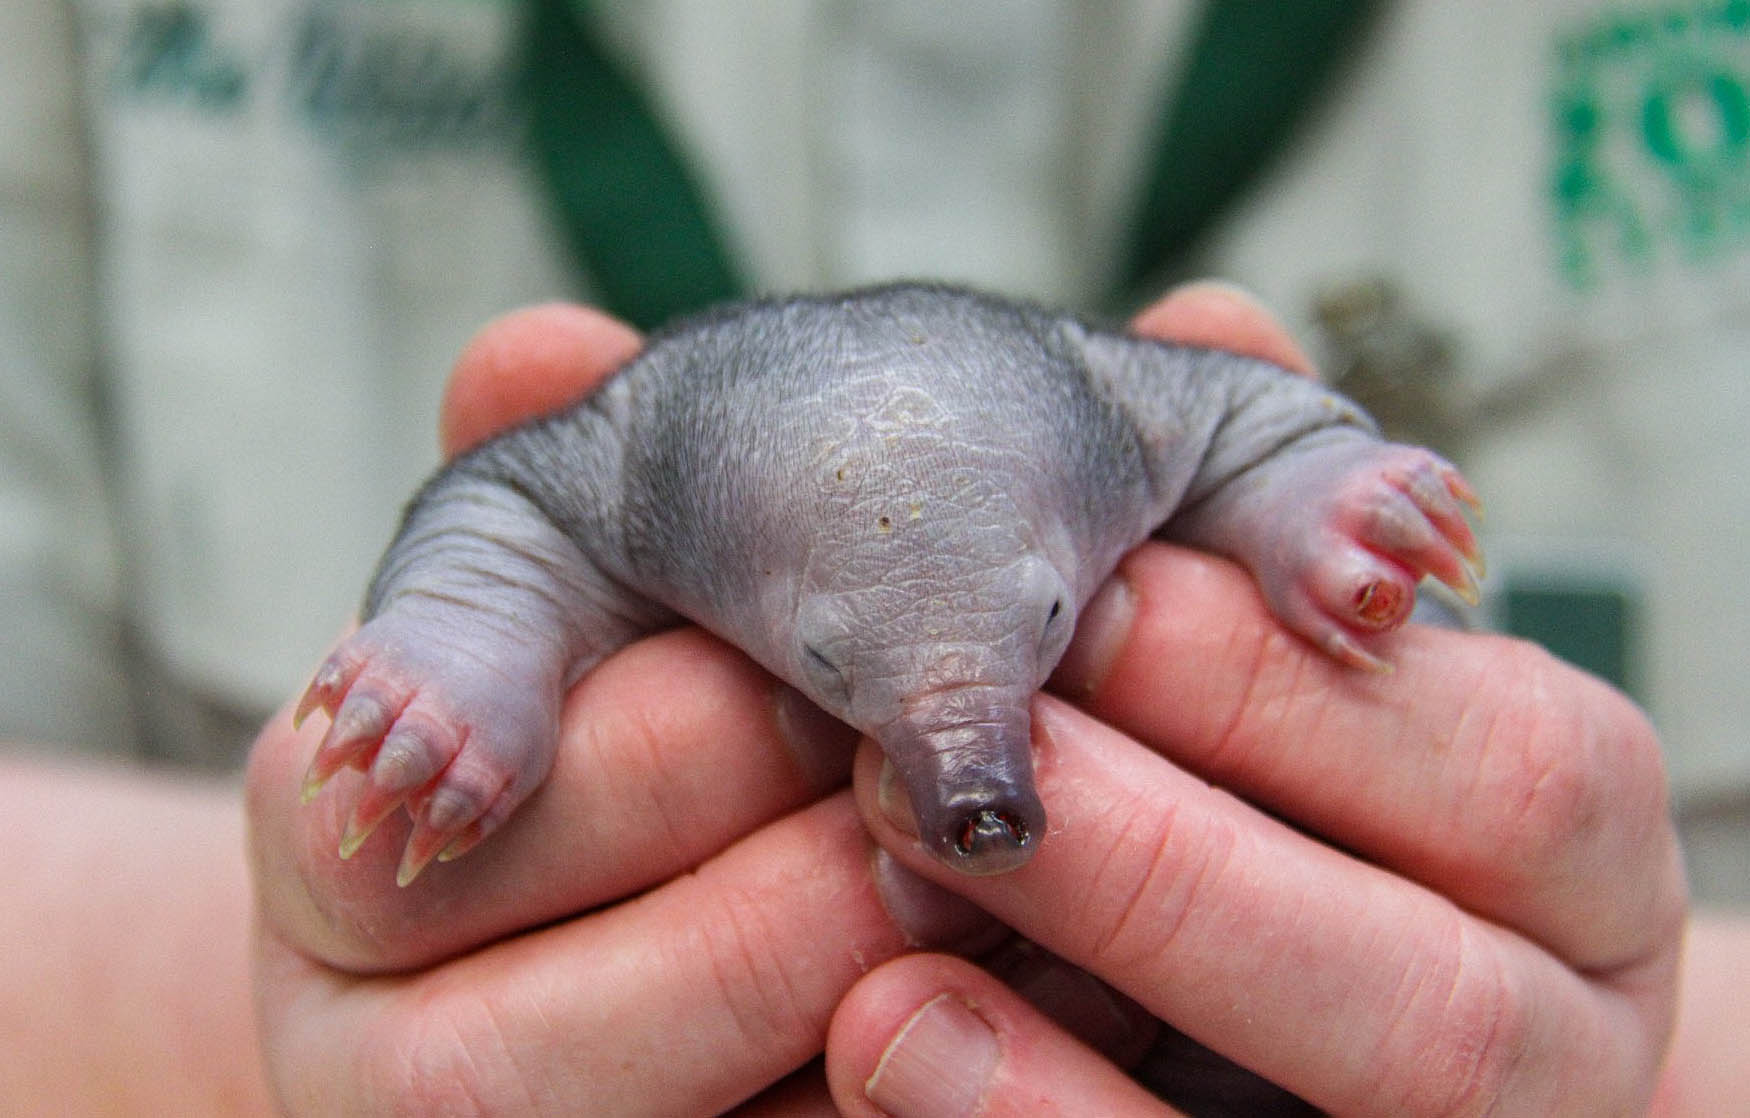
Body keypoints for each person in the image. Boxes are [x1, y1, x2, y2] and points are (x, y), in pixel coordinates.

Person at [3, 283, 1745, 1114]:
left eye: (1042, 618)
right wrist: (453, 694)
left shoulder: (1133, 403)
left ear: (1098, 494)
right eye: (843, 664)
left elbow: (1257, 420)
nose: (969, 771)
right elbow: (501, 523)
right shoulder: (619, 460)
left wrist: (1321, 507)